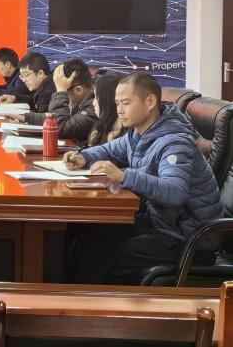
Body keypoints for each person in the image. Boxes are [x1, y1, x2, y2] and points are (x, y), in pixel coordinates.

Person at [63, 73, 222, 284]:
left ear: (150, 102)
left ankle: (87, 300)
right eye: (117, 103)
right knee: (93, 229)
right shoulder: (138, 134)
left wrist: (125, 176)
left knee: (102, 252)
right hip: (161, 222)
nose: (119, 110)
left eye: (126, 103)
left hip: (190, 238)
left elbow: (175, 192)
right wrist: (83, 157)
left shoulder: (175, 142)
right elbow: (108, 150)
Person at [15, 58, 97, 143]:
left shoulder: (94, 108)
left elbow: (59, 128)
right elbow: (57, 117)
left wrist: (61, 92)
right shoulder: (80, 101)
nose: (58, 93)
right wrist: (26, 118)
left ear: (78, 90)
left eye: (63, 90)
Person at [87, 70, 125, 146]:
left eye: (97, 97)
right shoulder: (101, 128)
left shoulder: (122, 138)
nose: (93, 103)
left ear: (109, 101)